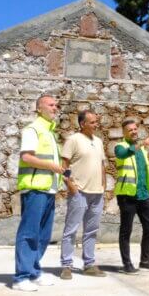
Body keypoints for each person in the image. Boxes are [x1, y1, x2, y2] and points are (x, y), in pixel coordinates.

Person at [12, 95, 66, 291]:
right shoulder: (32, 129)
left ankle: (33, 272)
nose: (55, 107)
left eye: (56, 105)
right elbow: (26, 157)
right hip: (35, 188)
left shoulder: (50, 133)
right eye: (51, 105)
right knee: (29, 233)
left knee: (43, 235)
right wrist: (51, 166)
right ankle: (21, 277)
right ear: (39, 108)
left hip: (49, 188)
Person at [59, 110, 107, 279]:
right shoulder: (73, 140)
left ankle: (89, 264)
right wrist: (71, 186)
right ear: (82, 124)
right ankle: (66, 265)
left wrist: (104, 184)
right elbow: (64, 166)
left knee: (91, 230)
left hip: (97, 193)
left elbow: (102, 164)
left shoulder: (99, 141)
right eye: (92, 122)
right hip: (79, 192)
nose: (96, 124)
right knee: (71, 229)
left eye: (96, 121)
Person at [114, 119, 149, 274]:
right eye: (130, 130)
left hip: (143, 195)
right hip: (127, 195)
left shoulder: (142, 151)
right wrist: (142, 144)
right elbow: (124, 154)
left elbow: (145, 171)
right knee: (126, 230)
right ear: (124, 132)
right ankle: (127, 264)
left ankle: (145, 260)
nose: (134, 131)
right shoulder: (120, 147)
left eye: (135, 129)